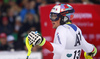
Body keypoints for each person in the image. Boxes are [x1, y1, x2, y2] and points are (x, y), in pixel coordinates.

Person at [25, 4, 97, 59]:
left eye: (54, 16)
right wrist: (93, 50)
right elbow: (88, 47)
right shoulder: (77, 29)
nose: (51, 19)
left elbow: (59, 50)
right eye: (51, 16)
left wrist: (42, 41)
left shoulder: (61, 29)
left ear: (65, 18)